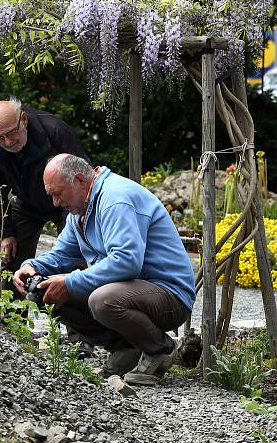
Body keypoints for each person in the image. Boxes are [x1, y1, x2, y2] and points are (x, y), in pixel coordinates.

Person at [13, 154, 196, 385]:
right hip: (132, 291)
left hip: (169, 295)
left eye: (57, 193)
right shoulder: (80, 211)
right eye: (51, 195)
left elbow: (126, 261)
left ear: (79, 180)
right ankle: (128, 348)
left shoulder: (115, 198)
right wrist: (32, 267)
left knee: (103, 299)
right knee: (44, 290)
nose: (55, 203)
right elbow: (62, 255)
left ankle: (161, 349)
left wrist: (69, 281)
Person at [0, 98, 89, 298]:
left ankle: (77, 326)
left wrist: (79, 221)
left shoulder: (55, 131)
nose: (8, 142)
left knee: (74, 257)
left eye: (12, 133)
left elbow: (83, 178)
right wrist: (4, 231)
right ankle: (11, 324)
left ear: (24, 119)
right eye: (0, 138)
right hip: (24, 200)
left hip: (65, 203)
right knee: (12, 260)